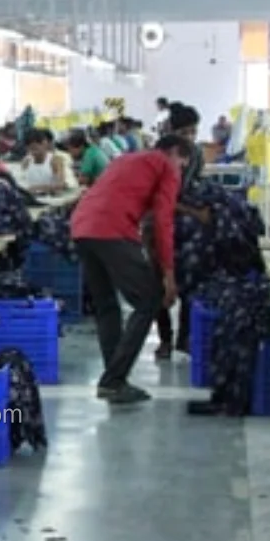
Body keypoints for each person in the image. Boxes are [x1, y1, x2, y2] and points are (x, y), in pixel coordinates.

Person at [70, 135, 193, 405]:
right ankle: (113, 380)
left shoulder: (125, 159)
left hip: (81, 226)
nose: (181, 170)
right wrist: (169, 274)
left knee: (106, 306)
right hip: (112, 230)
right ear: (174, 152)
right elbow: (163, 222)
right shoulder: (166, 166)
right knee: (149, 300)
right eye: (182, 164)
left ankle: (114, 380)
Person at [154, 103, 205, 359]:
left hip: (185, 226)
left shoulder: (195, 153)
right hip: (162, 221)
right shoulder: (161, 153)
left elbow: (191, 185)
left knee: (188, 281)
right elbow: (160, 196)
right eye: (185, 133)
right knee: (158, 283)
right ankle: (166, 339)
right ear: (172, 131)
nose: (190, 138)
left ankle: (183, 338)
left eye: (193, 132)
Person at [18, 129, 69, 194]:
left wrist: (37, 188)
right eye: (30, 149)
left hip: (52, 197)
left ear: (44, 143)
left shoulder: (55, 160)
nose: (33, 153)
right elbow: (22, 182)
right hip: (32, 196)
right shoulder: (26, 161)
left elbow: (61, 184)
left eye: (35, 148)